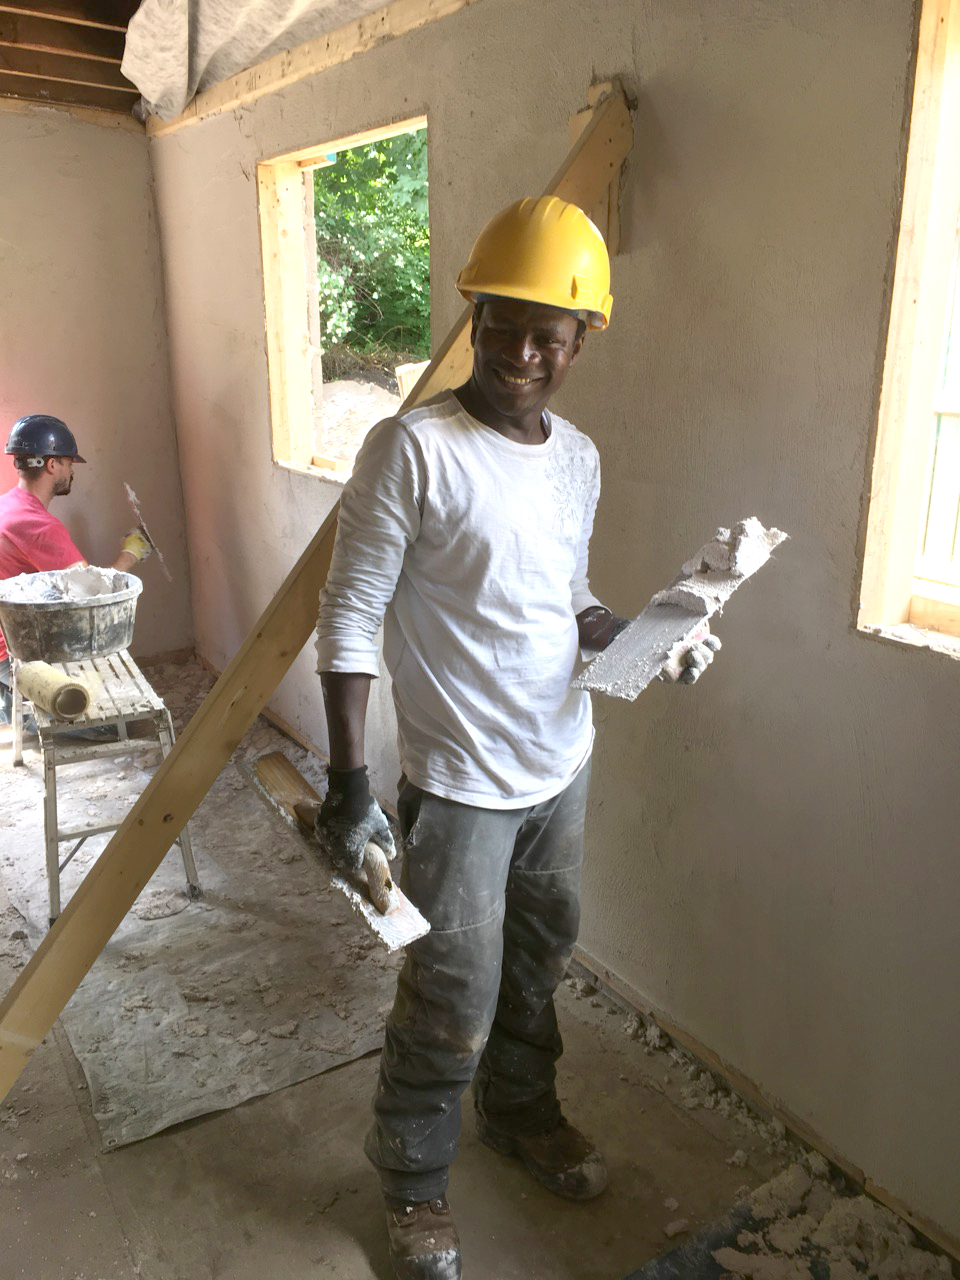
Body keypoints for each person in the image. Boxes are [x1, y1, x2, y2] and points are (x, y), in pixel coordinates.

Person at [313, 196, 719, 1280]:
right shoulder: (412, 448)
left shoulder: (576, 458)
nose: (524, 352)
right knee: (452, 984)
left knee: (540, 959)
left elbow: (567, 601)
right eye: (504, 323)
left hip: (561, 763)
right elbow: (351, 612)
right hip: (458, 783)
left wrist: (642, 636)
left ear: (584, 340)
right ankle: (411, 1179)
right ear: (474, 316)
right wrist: (350, 781)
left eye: (552, 332)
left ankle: (522, 1112)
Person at [0, 414, 151, 725]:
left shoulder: (8, 504)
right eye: (69, 463)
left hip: (7, 639)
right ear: (52, 465)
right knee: (115, 726)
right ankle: (25, 712)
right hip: (11, 653)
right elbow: (95, 598)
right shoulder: (39, 526)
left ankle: (10, 703)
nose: (71, 471)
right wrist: (131, 553)